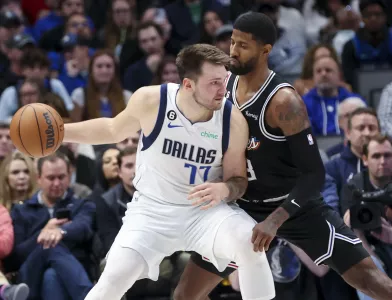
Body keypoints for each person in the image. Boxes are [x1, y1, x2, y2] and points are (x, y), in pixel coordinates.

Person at [173, 12, 392, 300]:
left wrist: (275, 220)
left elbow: (314, 174)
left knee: (372, 283)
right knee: (184, 295)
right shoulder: (223, 87)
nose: (233, 51)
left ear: (265, 51)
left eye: (243, 45)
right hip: (240, 206)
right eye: (232, 42)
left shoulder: (284, 102)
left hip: (295, 208)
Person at [63, 43, 275, 300]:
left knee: (250, 244)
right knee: (112, 280)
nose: (223, 90)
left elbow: (238, 181)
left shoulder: (232, 119)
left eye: (225, 80)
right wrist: (61, 133)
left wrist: (225, 188)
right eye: (214, 83)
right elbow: (111, 130)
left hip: (204, 213)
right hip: (152, 212)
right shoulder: (152, 100)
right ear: (188, 85)